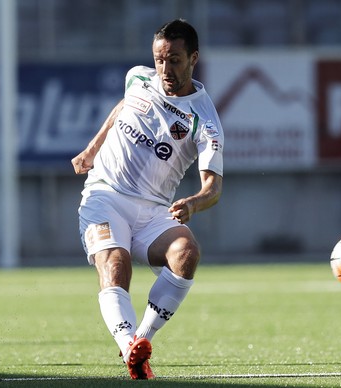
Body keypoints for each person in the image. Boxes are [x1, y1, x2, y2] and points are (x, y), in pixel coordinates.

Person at [72, 19, 224, 379]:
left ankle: (142, 340)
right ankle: (130, 348)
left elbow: (213, 187)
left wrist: (193, 203)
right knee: (115, 263)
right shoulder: (138, 77)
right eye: (159, 59)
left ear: (193, 59)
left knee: (186, 252)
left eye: (174, 60)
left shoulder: (205, 119)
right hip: (104, 195)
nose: (164, 69)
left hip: (155, 209)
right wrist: (92, 149)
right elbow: (123, 106)